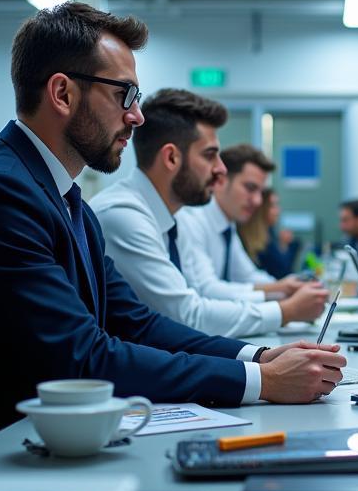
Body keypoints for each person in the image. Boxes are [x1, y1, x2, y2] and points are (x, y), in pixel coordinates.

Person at [0, 2, 345, 476]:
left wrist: (259, 356)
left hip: (24, 434)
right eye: (125, 95)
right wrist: (259, 381)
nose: (136, 116)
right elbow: (81, 357)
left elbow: (134, 323)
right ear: (62, 94)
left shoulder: (64, 198)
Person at [90, 89, 327, 336]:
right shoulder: (125, 216)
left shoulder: (168, 218)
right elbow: (187, 315)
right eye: (210, 156)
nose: (221, 170)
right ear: (171, 158)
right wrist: (285, 311)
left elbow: (198, 302)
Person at [178, 144, 307, 301]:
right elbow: (207, 290)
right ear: (221, 181)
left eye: (260, 192)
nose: (258, 201)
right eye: (250, 188)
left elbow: (247, 276)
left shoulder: (227, 224)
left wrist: (289, 289)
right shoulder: (193, 219)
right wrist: (281, 297)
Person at [248, 188, 300, 279]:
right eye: (273, 206)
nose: (278, 211)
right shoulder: (254, 237)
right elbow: (282, 270)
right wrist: (284, 245)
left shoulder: (269, 231)